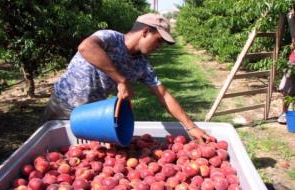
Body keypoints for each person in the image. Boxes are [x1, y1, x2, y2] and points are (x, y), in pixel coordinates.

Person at [43, 13, 210, 142]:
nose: (159, 47)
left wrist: (190, 127)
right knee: (50, 153)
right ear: (145, 32)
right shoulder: (109, 38)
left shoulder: (142, 65)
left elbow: (164, 95)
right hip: (62, 106)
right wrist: (121, 80)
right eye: (158, 41)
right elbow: (86, 47)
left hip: (91, 116)